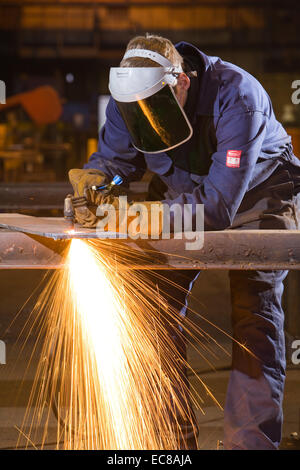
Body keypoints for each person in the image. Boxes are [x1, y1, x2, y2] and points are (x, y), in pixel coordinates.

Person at [69, 34, 300, 450]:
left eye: (152, 108)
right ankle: (170, 445)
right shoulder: (129, 99)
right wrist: (99, 183)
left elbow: (216, 208)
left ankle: (250, 445)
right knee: (152, 306)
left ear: (181, 83)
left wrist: (143, 217)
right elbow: (117, 163)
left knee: (255, 314)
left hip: (257, 194)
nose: (141, 115)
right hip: (181, 192)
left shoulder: (238, 96)